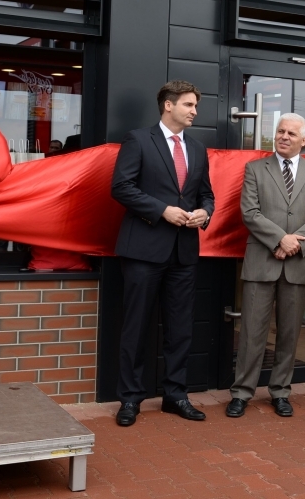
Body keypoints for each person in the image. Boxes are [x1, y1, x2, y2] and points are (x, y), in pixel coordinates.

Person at [111, 80, 214, 427]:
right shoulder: (139, 140)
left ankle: (176, 395)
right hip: (143, 249)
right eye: (188, 105)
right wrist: (162, 210)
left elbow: (207, 195)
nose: (194, 111)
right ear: (168, 105)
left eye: (195, 106)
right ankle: (129, 400)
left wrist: (205, 213)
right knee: (136, 327)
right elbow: (121, 187)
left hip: (184, 252)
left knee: (180, 327)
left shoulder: (198, 149)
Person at [226, 113, 305, 419]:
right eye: (280, 131)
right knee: (251, 332)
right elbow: (250, 212)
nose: (283, 137)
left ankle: (281, 392)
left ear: (304, 140)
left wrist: (295, 243)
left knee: (289, 333)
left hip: (298, 263)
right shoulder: (256, 169)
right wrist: (280, 240)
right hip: (262, 262)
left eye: (290, 133)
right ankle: (241, 393)